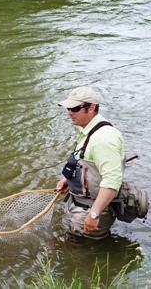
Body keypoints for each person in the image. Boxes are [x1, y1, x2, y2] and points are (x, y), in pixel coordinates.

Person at [56, 86, 125, 243]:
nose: (69, 112)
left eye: (75, 108)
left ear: (91, 107)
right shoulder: (91, 131)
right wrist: (70, 180)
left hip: (90, 210)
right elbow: (87, 165)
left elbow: (112, 180)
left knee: (81, 254)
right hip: (82, 206)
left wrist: (94, 214)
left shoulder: (103, 138)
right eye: (68, 108)